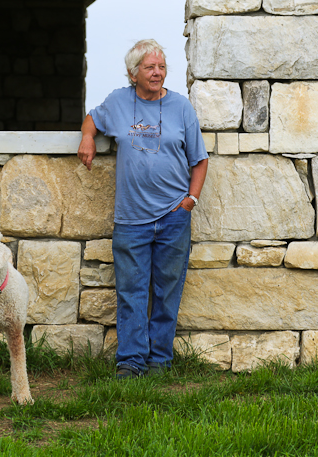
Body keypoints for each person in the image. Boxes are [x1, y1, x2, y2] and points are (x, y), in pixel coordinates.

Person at [78, 39, 209, 379]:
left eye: (162, 67)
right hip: (131, 220)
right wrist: (87, 137)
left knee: (167, 293)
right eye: (150, 67)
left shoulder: (181, 107)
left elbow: (199, 160)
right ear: (133, 73)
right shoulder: (119, 101)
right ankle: (131, 362)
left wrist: (189, 202)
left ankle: (160, 362)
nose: (157, 73)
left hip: (173, 217)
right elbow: (92, 118)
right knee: (131, 293)